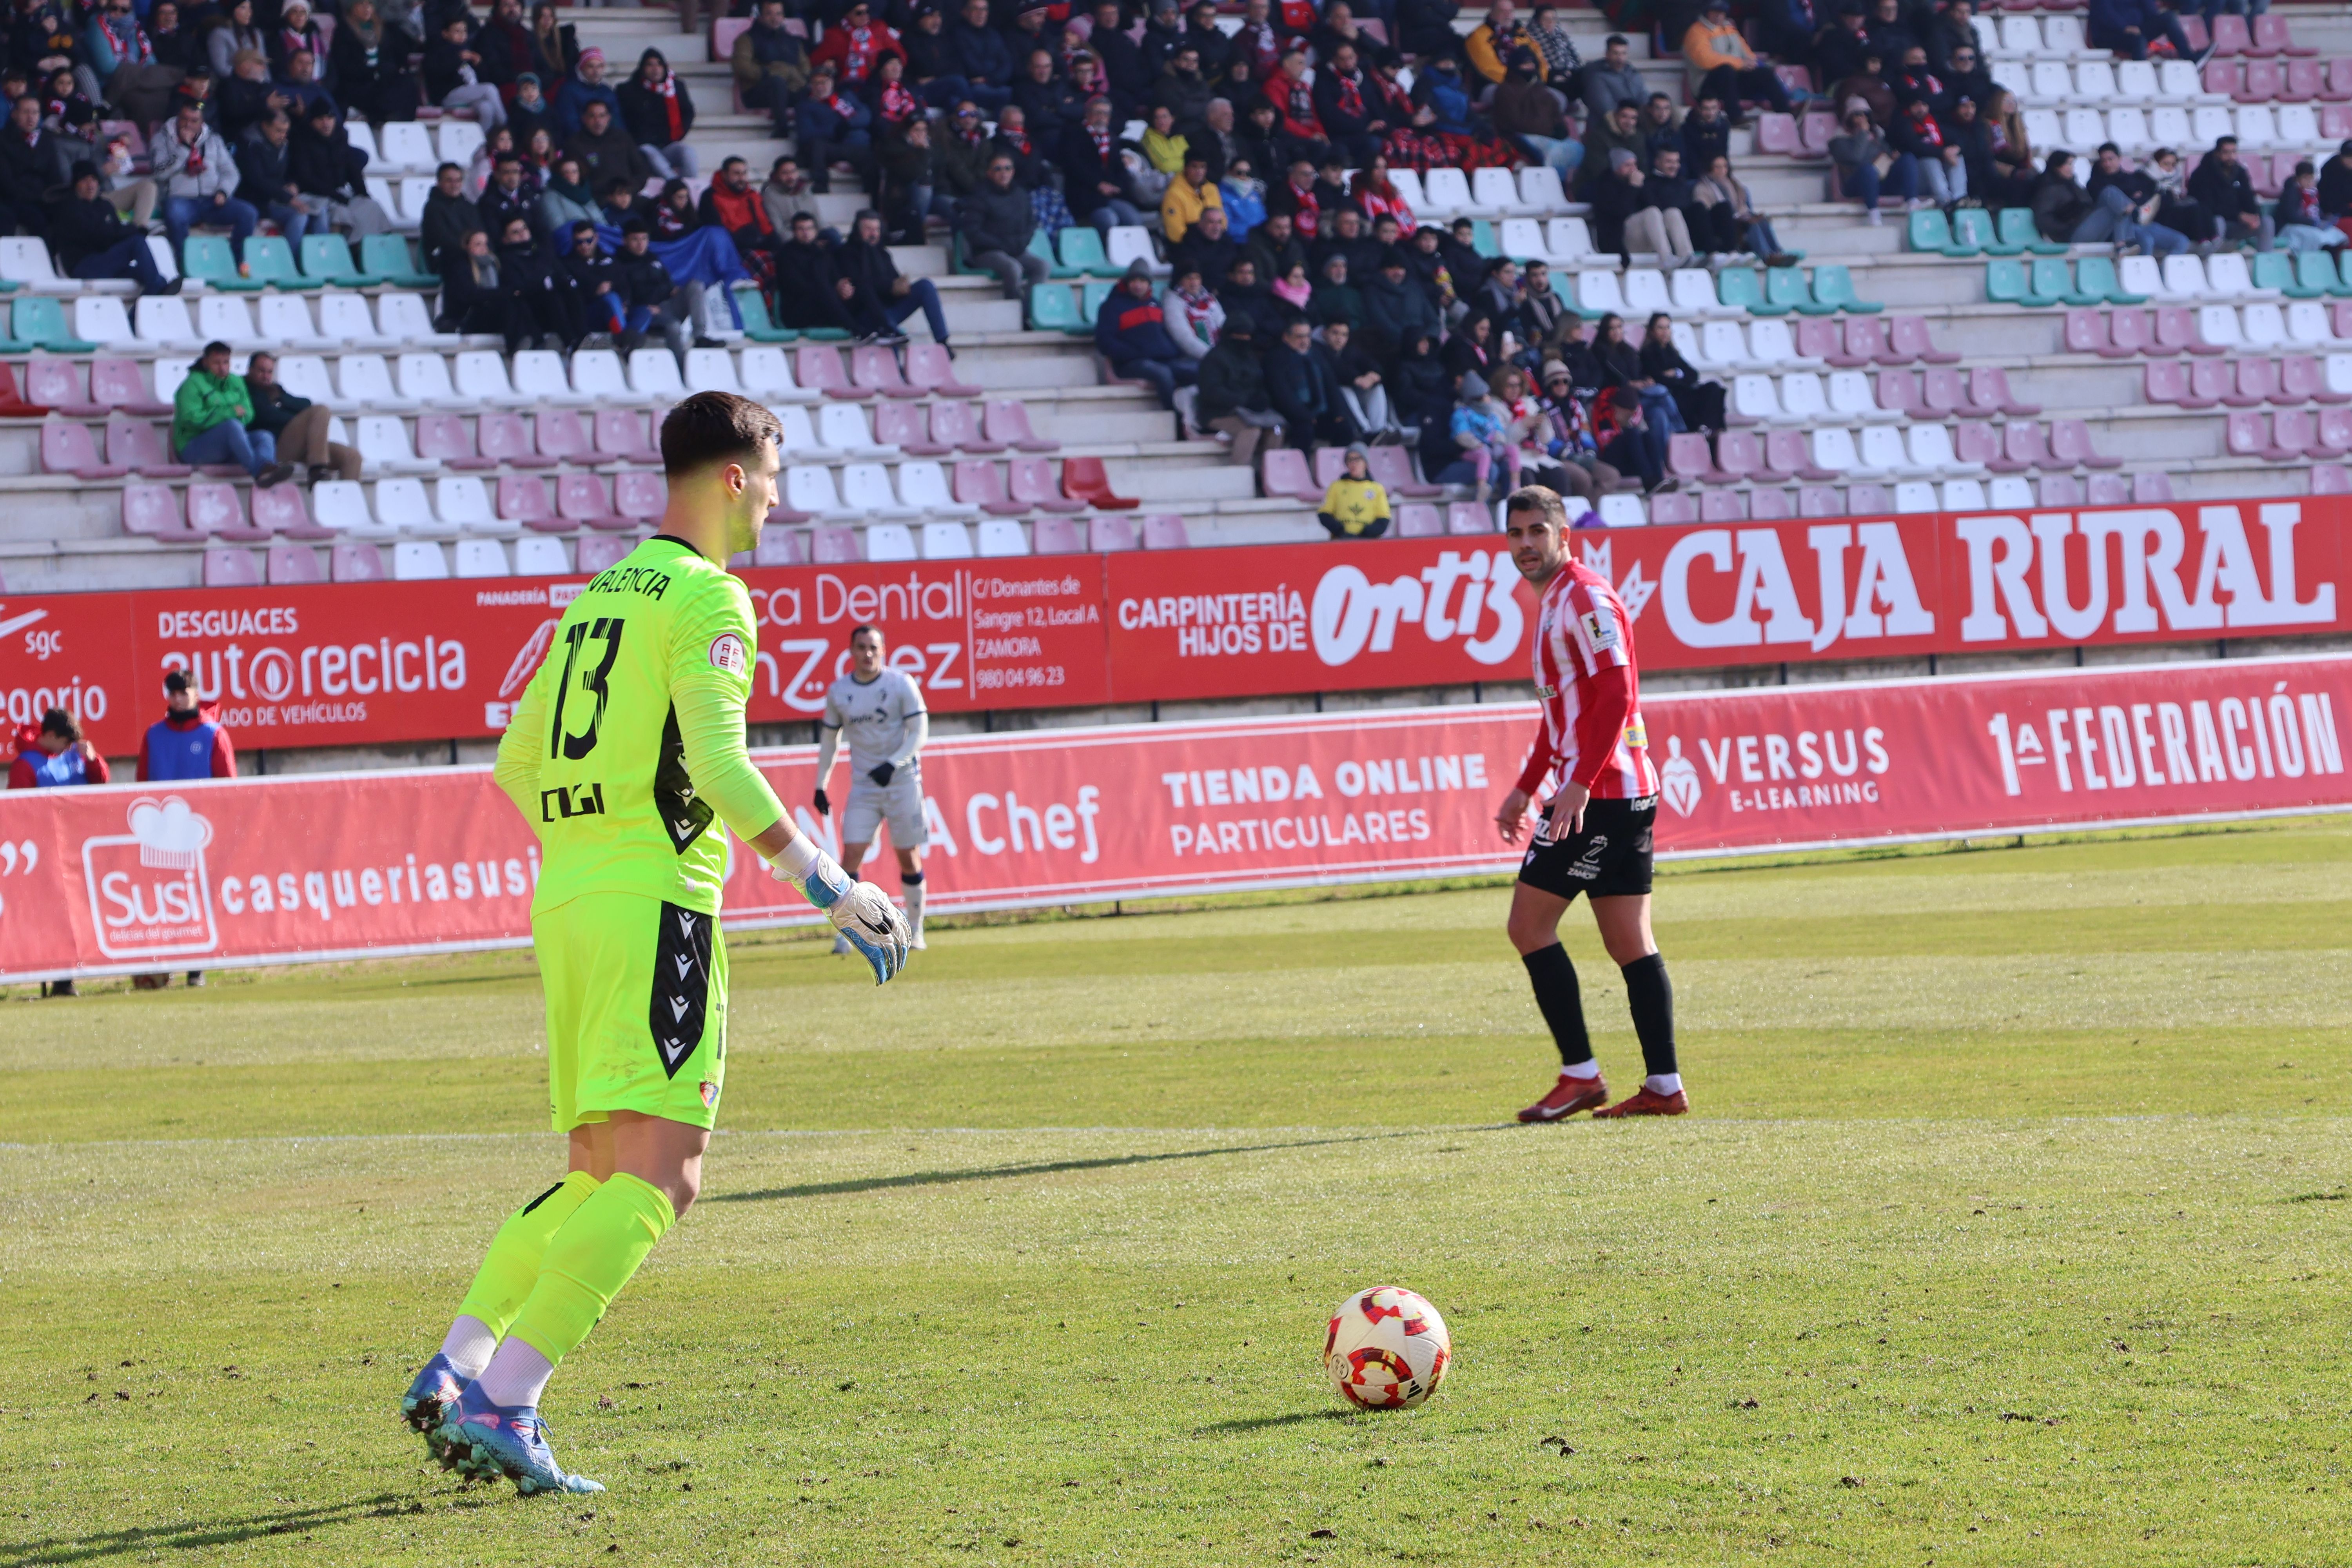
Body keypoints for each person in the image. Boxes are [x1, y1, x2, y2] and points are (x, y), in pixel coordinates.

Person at [409, 393, 910, 1498]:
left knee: (596, 1170)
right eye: (773, 476)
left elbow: (512, 764)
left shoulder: (600, 595)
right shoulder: (710, 597)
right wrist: (831, 886)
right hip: (658, 908)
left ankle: (458, 1366)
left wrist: (593, 841)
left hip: (571, 901)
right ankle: (509, 1399)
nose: (779, 498)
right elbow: (724, 772)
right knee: (666, 1177)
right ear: (735, 476)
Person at [1494, 486, 1684, 1123]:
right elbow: (1562, 717)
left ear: (1562, 535)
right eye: (1516, 533)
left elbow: (1618, 688)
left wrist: (1577, 781)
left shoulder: (1585, 597)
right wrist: (1527, 786)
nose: (1525, 544)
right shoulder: (1554, 604)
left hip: (1600, 795)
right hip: (1610, 789)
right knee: (1630, 941)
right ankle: (1663, 1086)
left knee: (1529, 926)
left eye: (1536, 532)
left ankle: (1580, 1075)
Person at [812, 622, 932, 955]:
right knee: (849, 857)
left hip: (902, 781)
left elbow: (920, 730)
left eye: (873, 648)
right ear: (851, 652)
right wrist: (820, 784)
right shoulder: (840, 692)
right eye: (861, 647)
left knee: (908, 857)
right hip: (865, 786)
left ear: (883, 651)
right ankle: (848, 933)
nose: (867, 654)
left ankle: (916, 929)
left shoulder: (900, 684)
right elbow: (830, 741)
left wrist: (894, 763)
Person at [173, 342, 292, 487]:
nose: (223, 368)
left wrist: (235, 417)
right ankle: (258, 471)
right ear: (205, 363)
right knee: (232, 426)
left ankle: (267, 467)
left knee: (264, 436)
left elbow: (249, 414)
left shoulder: (236, 382)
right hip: (193, 448)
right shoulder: (191, 385)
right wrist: (229, 414)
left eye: (226, 362)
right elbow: (191, 419)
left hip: (228, 445)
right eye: (217, 363)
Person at [53, 160, 174, 293]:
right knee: (137, 243)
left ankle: (135, 313)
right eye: (85, 180)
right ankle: (154, 292)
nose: (91, 185)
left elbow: (113, 233)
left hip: (105, 262)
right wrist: (135, 231)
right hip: (83, 266)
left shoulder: (105, 206)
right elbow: (100, 237)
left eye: (94, 180)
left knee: (156, 278)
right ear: (76, 184)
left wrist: (126, 233)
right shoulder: (69, 208)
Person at [152, 96, 251, 256]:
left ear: (202, 122)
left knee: (248, 213)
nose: (188, 125)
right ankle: (186, 261)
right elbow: (159, 172)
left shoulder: (214, 140)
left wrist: (223, 192)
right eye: (184, 119)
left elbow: (231, 172)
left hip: (213, 201)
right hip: (181, 200)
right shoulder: (162, 139)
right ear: (178, 118)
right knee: (175, 214)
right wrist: (183, 149)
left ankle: (236, 260)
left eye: (194, 121)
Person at [837, 207, 950, 345]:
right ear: (858, 230)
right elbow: (862, 285)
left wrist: (901, 286)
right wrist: (890, 287)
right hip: (867, 314)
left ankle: (943, 341)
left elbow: (893, 282)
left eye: (877, 230)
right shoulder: (847, 254)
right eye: (868, 229)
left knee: (925, 286)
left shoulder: (883, 254)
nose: (873, 234)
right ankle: (896, 365)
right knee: (889, 330)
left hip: (889, 309)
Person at [246, 349, 358, 483]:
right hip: (276, 447)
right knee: (321, 411)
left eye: (270, 372)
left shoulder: (275, 390)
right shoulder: (246, 389)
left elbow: (306, 404)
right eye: (261, 371)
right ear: (250, 370)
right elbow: (265, 415)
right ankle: (317, 469)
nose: (266, 377)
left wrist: (281, 401)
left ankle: (346, 501)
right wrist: (296, 417)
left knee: (352, 457)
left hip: (300, 444)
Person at [1095, 260, 1196, 408]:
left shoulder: (1155, 304)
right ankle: (1174, 420)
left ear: (1149, 284)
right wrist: (1133, 353)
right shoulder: (1111, 307)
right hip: (1130, 364)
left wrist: (1174, 351)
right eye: (1134, 280)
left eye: (1142, 280)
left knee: (1196, 370)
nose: (1138, 285)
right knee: (1163, 374)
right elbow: (1104, 341)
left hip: (1162, 359)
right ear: (1127, 282)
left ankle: (1197, 418)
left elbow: (1167, 334)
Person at [1683, 0, 1793, 123]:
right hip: (1706, 85)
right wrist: (1739, 64)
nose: (1719, 15)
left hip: (1733, 83)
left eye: (1722, 12)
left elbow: (1747, 54)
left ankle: (1786, 114)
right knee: (1726, 70)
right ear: (1707, 12)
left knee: (1764, 73)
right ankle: (1736, 117)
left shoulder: (1730, 30)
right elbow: (1706, 60)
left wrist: (1752, 63)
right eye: (1715, 12)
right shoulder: (1696, 32)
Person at [1194, 314, 1282, 465]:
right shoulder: (1214, 359)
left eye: (1248, 336)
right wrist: (1244, 401)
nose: (1244, 340)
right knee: (1250, 430)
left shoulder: (1250, 357)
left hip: (1249, 411)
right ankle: (1239, 474)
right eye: (1239, 336)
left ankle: (1269, 476)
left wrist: (1263, 399)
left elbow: (1258, 383)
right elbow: (1212, 392)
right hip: (1219, 413)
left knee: (1276, 430)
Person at [958, 153, 1047, 301]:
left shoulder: (1021, 195)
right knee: (1013, 268)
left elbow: (1031, 223)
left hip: (1017, 250)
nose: (1003, 173)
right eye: (998, 169)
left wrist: (1022, 242)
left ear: (1013, 172)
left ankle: (1028, 311)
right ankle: (1013, 308)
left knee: (1042, 267)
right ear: (989, 173)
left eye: (1007, 168)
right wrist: (1001, 244)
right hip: (987, 253)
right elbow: (972, 232)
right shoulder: (980, 197)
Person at [1593, 149, 1696, 270]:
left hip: (1646, 238)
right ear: (1617, 168)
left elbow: (1657, 206)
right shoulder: (1606, 186)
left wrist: (1643, 188)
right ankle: (1666, 258)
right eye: (1628, 165)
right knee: (1651, 212)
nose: (1633, 169)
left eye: (1635, 164)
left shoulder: (1638, 182)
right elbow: (1620, 213)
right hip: (1620, 241)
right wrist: (1633, 188)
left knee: (1672, 213)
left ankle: (1687, 256)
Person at [2086, 142, 2190, 258]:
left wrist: (2133, 202)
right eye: (2103, 160)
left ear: (2120, 158)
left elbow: (2146, 199)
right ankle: (2142, 274)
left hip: (2142, 222)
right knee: (2146, 240)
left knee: (2181, 241)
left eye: (2111, 159)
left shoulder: (2132, 178)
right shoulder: (2095, 183)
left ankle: (2163, 274)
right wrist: (2132, 200)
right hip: (2117, 227)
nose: (2107, 164)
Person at [329, 0, 418, 126]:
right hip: (357, 82)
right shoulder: (343, 31)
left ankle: (402, 124)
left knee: (407, 83)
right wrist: (370, 71)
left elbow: (392, 58)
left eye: (370, 4)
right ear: (353, 8)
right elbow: (342, 64)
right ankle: (381, 118)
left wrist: (385, 70)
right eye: (361, 4)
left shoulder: (383, 29)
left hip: (382, 79)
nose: (366, 8)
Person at [1828, 102, 1915, 224]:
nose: (1863, 118)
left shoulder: (1876, 135)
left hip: (1882, 180)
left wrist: (1893, 156)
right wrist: (1863, 133)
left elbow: (1886, 154)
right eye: (1858, 115)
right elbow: (1856, 157)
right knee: (1867, 169)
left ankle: (1912, 202)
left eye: (1866, 114)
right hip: (1857, 183)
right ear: (1849, 117)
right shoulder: (1839, 138)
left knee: (1908, 159)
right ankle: (1874, 213)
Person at [1434, 370, 1515, 501]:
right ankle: (1481, 498)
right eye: (1485, 396)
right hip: (1471, 453)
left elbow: (1499, 431)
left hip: (1491, 451)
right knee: (1491, 467)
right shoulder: (1462, 413)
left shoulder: (1491, 415)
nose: (1488, 399)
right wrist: (1479, 445)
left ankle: (1513, 493)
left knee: (1509, 460)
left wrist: (1498, 444)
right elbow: (1462, 435)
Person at [618, 47, 697, 182]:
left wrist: (679, 134)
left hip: (668, 144)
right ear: (642, 68)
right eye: (650, 65)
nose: (655, 69)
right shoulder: (628, 90)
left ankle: (691, 186)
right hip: (641, 146)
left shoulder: (676, 87)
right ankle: (676, 186)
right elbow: (622, 119)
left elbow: (688, 112)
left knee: (688, 152)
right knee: (652, 155)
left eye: (659, 64)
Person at [733, 0, 809, 136]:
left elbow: (805, 67)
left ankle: (807, 134)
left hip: (791, 87)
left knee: (811, 88)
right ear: (760, 16)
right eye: (769, 14)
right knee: (777, 84)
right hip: (757, 91)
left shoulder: (792, 40)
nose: (775, 19)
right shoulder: (746, 39)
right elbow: (741, 67)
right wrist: (768, 73)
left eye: (779, 14)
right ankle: (782, 129)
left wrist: (794, 75)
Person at [1639, 312, 1725, 432]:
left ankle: (1708, 429)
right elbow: (1660, 379)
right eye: (1661, 328)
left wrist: (1676, 373)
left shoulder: (1672, 352)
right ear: (1652, 331)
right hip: (1672, 397)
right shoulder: (1647, 354)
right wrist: (1679, 379)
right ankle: (1703, 429)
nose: (1665, 332)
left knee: (1713, 388)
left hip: (1685, 391)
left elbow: (1693, 374)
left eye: (1668, 327)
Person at [425, 11, 510, 132]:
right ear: (445, 34)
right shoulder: (438, 51)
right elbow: (436, 73)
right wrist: (457, 59)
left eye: (464, 31)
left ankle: (479, 143)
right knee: (490, 89)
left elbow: (483, 79)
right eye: (457, 31)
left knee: (487, 109)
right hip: (448, 95)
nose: (462, 35)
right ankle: (505, 128)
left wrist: (479, 64)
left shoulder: (468, 50)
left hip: (470, 94)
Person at [2187, 135, 2275, 251]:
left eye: (2234, 152)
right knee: (2218, 222)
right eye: (2226, 153)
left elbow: (2248, 197)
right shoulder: (2202, 174)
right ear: (2217, 153)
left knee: (2266, 222)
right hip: (2213, 223)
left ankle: (2266, 263)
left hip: (2237, 223)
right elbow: (2207, 207)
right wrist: (2239, 216)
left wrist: (2253, 215)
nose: (2231, 157)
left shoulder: (2240, 172)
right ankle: (2214, 262)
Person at [1889, 93, 1964, 209]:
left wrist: (1956, 148)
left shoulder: (1933, 123)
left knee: (1958, 158)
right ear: (1910, 107)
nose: (1921, 109)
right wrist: (1943, 153)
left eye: (1924, 105)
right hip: (1915, 179)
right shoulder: (1903, 122)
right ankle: (1945, 201)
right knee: (1929, 160)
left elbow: (1959, 137)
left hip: (1936, 175)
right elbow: (1915, 147)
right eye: (1916, 105)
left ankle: (1959, 199)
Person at [10, 706, 108, 789]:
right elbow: (17, 807)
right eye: (66, 743)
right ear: (51, 735)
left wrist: (93, 761)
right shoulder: (25, 765)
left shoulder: (79, 752)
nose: (70, 748)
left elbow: (101, 784)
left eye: (72, 743)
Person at [1317, 442, 1391, 537]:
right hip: (1341, 543)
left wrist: (1365, 535)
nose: (1353, 464)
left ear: (1366, 463)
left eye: (1357, 459)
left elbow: (1383, 520)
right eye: (1350, 460)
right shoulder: (1336, 486)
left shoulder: (1377, 489)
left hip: (1368, 545)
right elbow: (1324, 514)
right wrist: (1341, 532)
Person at [2275, 160, 2347, 254]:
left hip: (2310, 226)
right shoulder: (2291, 193)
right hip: (2290, 228)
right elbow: (2293, 217)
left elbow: (2317, 212)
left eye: (2311, 179)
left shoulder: (2313, 193)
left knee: (2335, 234)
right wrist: (2314, 223)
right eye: (2305, 179)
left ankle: (2332, 266)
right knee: (2316, 238)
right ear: (2297, 179)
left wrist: (2326, 219)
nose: (2309, 182)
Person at [1581, 33, 1647, 125]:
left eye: (1624, 53)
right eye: (1616, 53)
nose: (1620, 58)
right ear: (1607, 54)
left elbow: (1644, 98)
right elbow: (1606, 110)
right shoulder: (1597, 77)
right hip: (1607, 128)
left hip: (1634, 125)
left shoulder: (1633, 73)